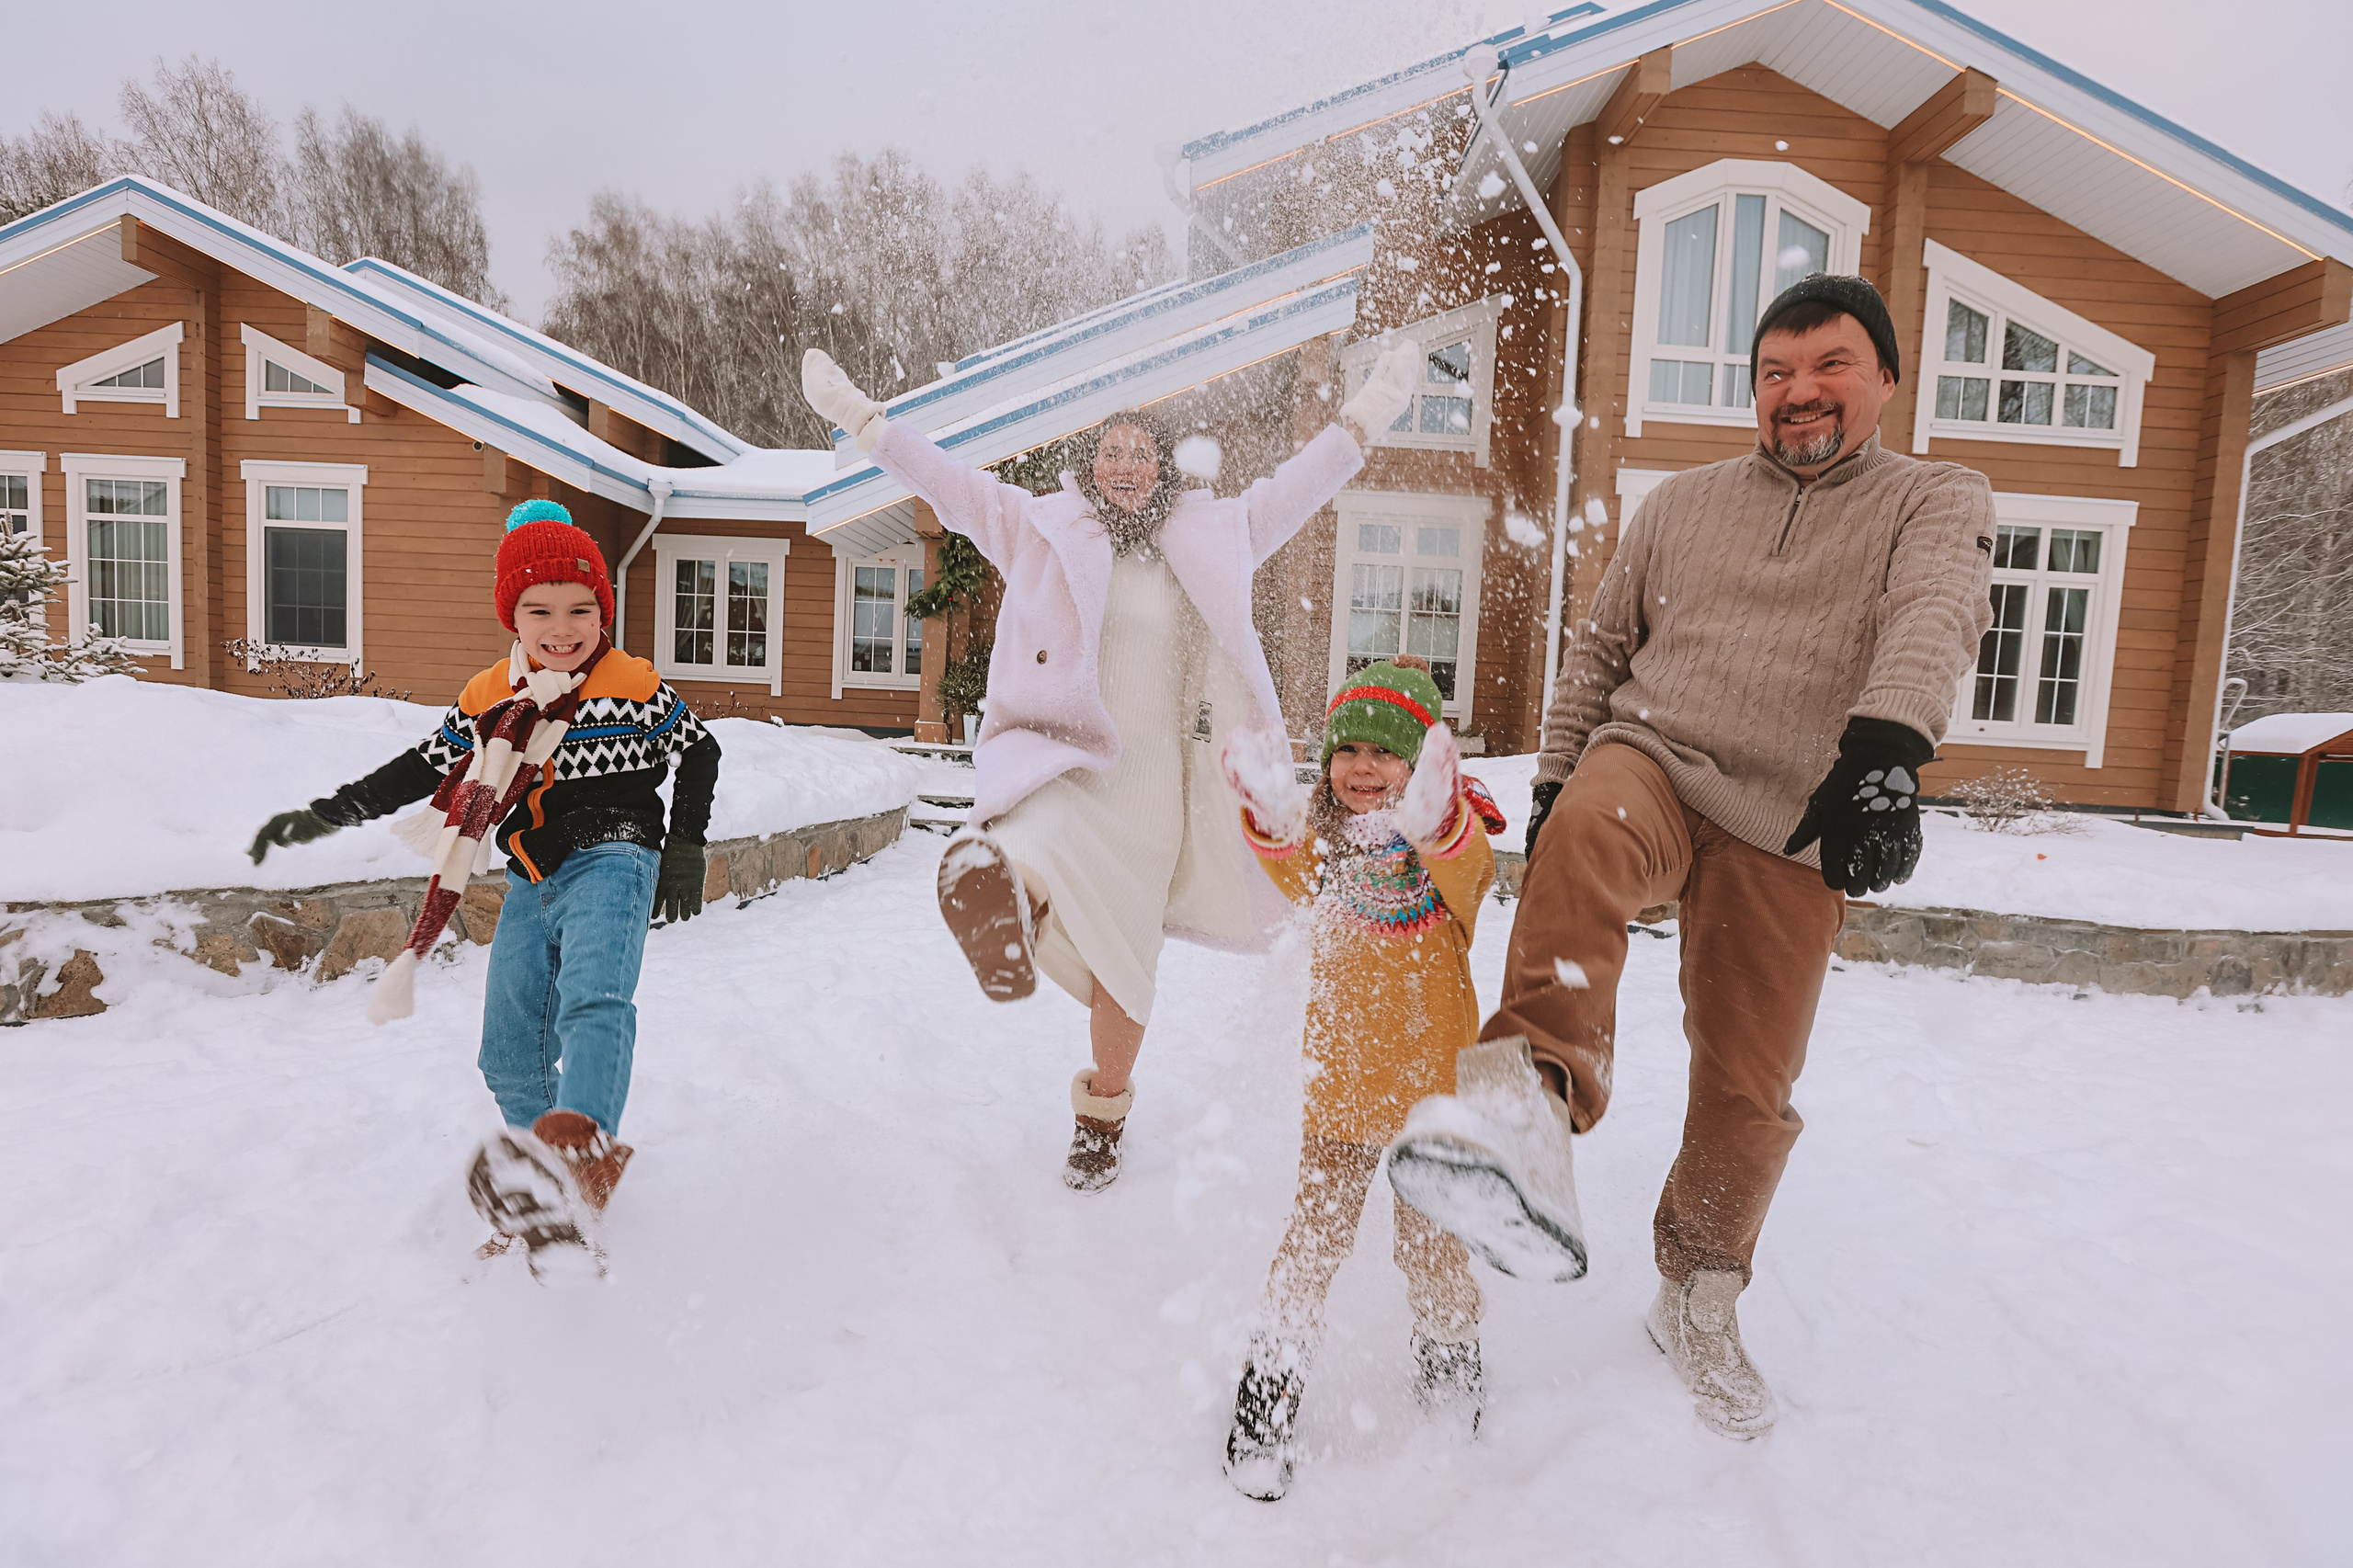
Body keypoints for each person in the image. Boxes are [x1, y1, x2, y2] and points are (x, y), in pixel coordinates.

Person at [1387, 274, 1995, 1436]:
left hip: (1798, 810)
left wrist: (1887, 748)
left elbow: (1934, 611)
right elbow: (1600, 648)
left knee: (1747, 1082)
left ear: (1883, 377)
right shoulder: (1681, 503)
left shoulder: (1932, 496)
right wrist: (1557, 779)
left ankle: (1698, 1291)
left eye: (1829, 365)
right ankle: (1521, 1112)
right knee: (1588, 829)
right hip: (1655, 758)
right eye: (1775, 372)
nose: (1799, 391)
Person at [801, 342, 1421, 1190]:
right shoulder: (1039, 529)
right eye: (1110, 451)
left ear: (1163, 469)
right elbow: (951, 486)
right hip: (1072, 766)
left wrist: (1369, 411)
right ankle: (1004, 920)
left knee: (1125, 968)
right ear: (1087, 467)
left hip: (1155, 794)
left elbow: (1298, 487)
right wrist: (863, 420)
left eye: (1141, 452)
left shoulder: (1215, 534)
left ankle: (1102, 1116)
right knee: (1029, 845)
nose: (1125, 464)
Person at [247, 500, 720, 1278]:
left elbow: (699, 750)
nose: (562, 629)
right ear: (512, 614)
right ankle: (550, 1190)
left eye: (581, 609)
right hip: (531, 873)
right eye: (540, 611)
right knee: (506, 1054)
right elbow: (422, 766)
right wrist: (328, 812)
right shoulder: (490, 695)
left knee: (594, 1000)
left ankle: (584, 1153)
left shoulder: (633, 684)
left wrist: (685, 843)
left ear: (603, 610)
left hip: (615, 855)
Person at [1213, 658, 1506, 1501]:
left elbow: (1472, 869)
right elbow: (1290, 871)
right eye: (1348, 751)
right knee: (1311, 1244)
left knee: (1434, 1251)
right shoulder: (1329, 855)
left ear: (1422, 767)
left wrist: (1437, 819)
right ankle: (1269, 1394)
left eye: (1386, 753)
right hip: (1340, 1089)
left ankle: (1450, 1362)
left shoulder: (1448, 860)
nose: (1363, 768)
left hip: (1434, 1095)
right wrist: (1271, 815)